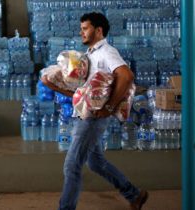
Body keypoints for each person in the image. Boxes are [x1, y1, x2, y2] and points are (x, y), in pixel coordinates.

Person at [41, 12, 149, 210]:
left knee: (71, 165)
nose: (81, 32)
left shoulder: (107, 51)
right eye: (81, 28)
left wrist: (109, 107)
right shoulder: (89, 55)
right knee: (96, 163)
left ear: (98, 30)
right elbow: (82, 92)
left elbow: (126, 75)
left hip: (92, 119)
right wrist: (54, 86)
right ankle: (134, 195)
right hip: (84, 114)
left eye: (85, 28)